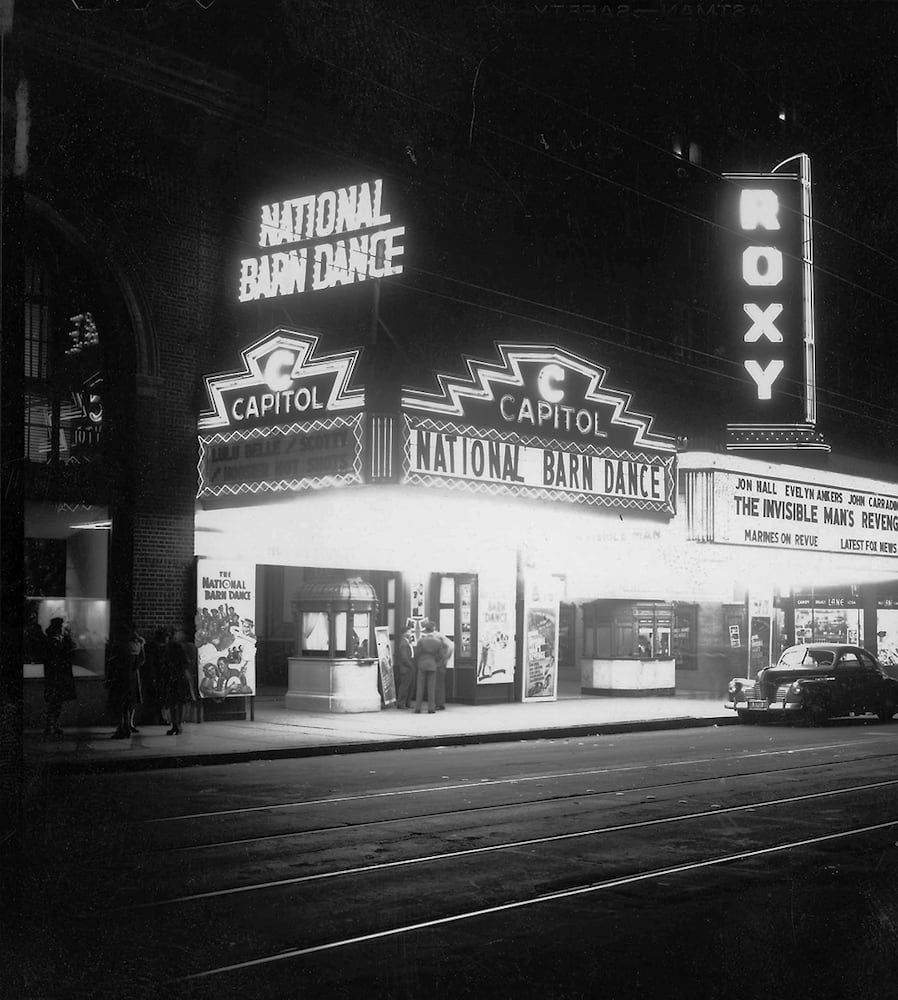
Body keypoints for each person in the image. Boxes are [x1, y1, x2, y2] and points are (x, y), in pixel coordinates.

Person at [105, 623, 144, 739]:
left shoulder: (119, 646)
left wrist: (108, 679)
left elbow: (112, 663)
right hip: (132, 678)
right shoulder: (137, 645)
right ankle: (127, 727)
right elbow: (141, 660)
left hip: (119, 678)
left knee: (120, 704)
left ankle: (122, 728)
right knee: (128, 704)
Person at [43, 617, 76, 738]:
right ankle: (50, 725)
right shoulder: (51, 641)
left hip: (61, 675)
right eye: (62, 627)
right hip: (55, 675)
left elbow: (73, 648)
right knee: (54, 702)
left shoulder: (62, 639)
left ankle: (54, 724)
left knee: (58, 702)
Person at [157, 627, 193, 735]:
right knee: (179, 702)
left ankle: (175, 724)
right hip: (179, 677)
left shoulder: (168, 648)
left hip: (172, 677)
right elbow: (185, 662)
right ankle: (177, 725)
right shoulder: (177, 647)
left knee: (173, 703)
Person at [414, 620, 447, 714]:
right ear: (433, 631)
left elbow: (417, 653)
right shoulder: (438, 642)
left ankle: (418, 708)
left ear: (425, 631)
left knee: (420, 687)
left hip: (422, 664)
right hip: (432, 664)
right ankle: (431, 708)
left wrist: (420, 660)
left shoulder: (421, 641)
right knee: (431, 687)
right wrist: (434, 660)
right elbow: (441, 655)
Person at [432, 623, 454, 711]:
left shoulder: (436, 636)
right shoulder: (440, 637)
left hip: (439, 664)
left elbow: (451, 646)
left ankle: (439, 703)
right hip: (441, 663)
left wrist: (445, 658)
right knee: (439, 684)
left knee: (437, 684)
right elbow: (451, 646)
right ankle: (440, 703)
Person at [394, 626, 416, 709]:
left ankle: (407, 702)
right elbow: (404, 657)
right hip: (406, 667)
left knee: (410, 686)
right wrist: (410, 666)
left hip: (410, 665)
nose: (411, 633)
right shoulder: (403, 643)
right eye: (409, 632)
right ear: (405, 633)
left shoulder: (408, 642)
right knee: (405, 686)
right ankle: (401, 703)